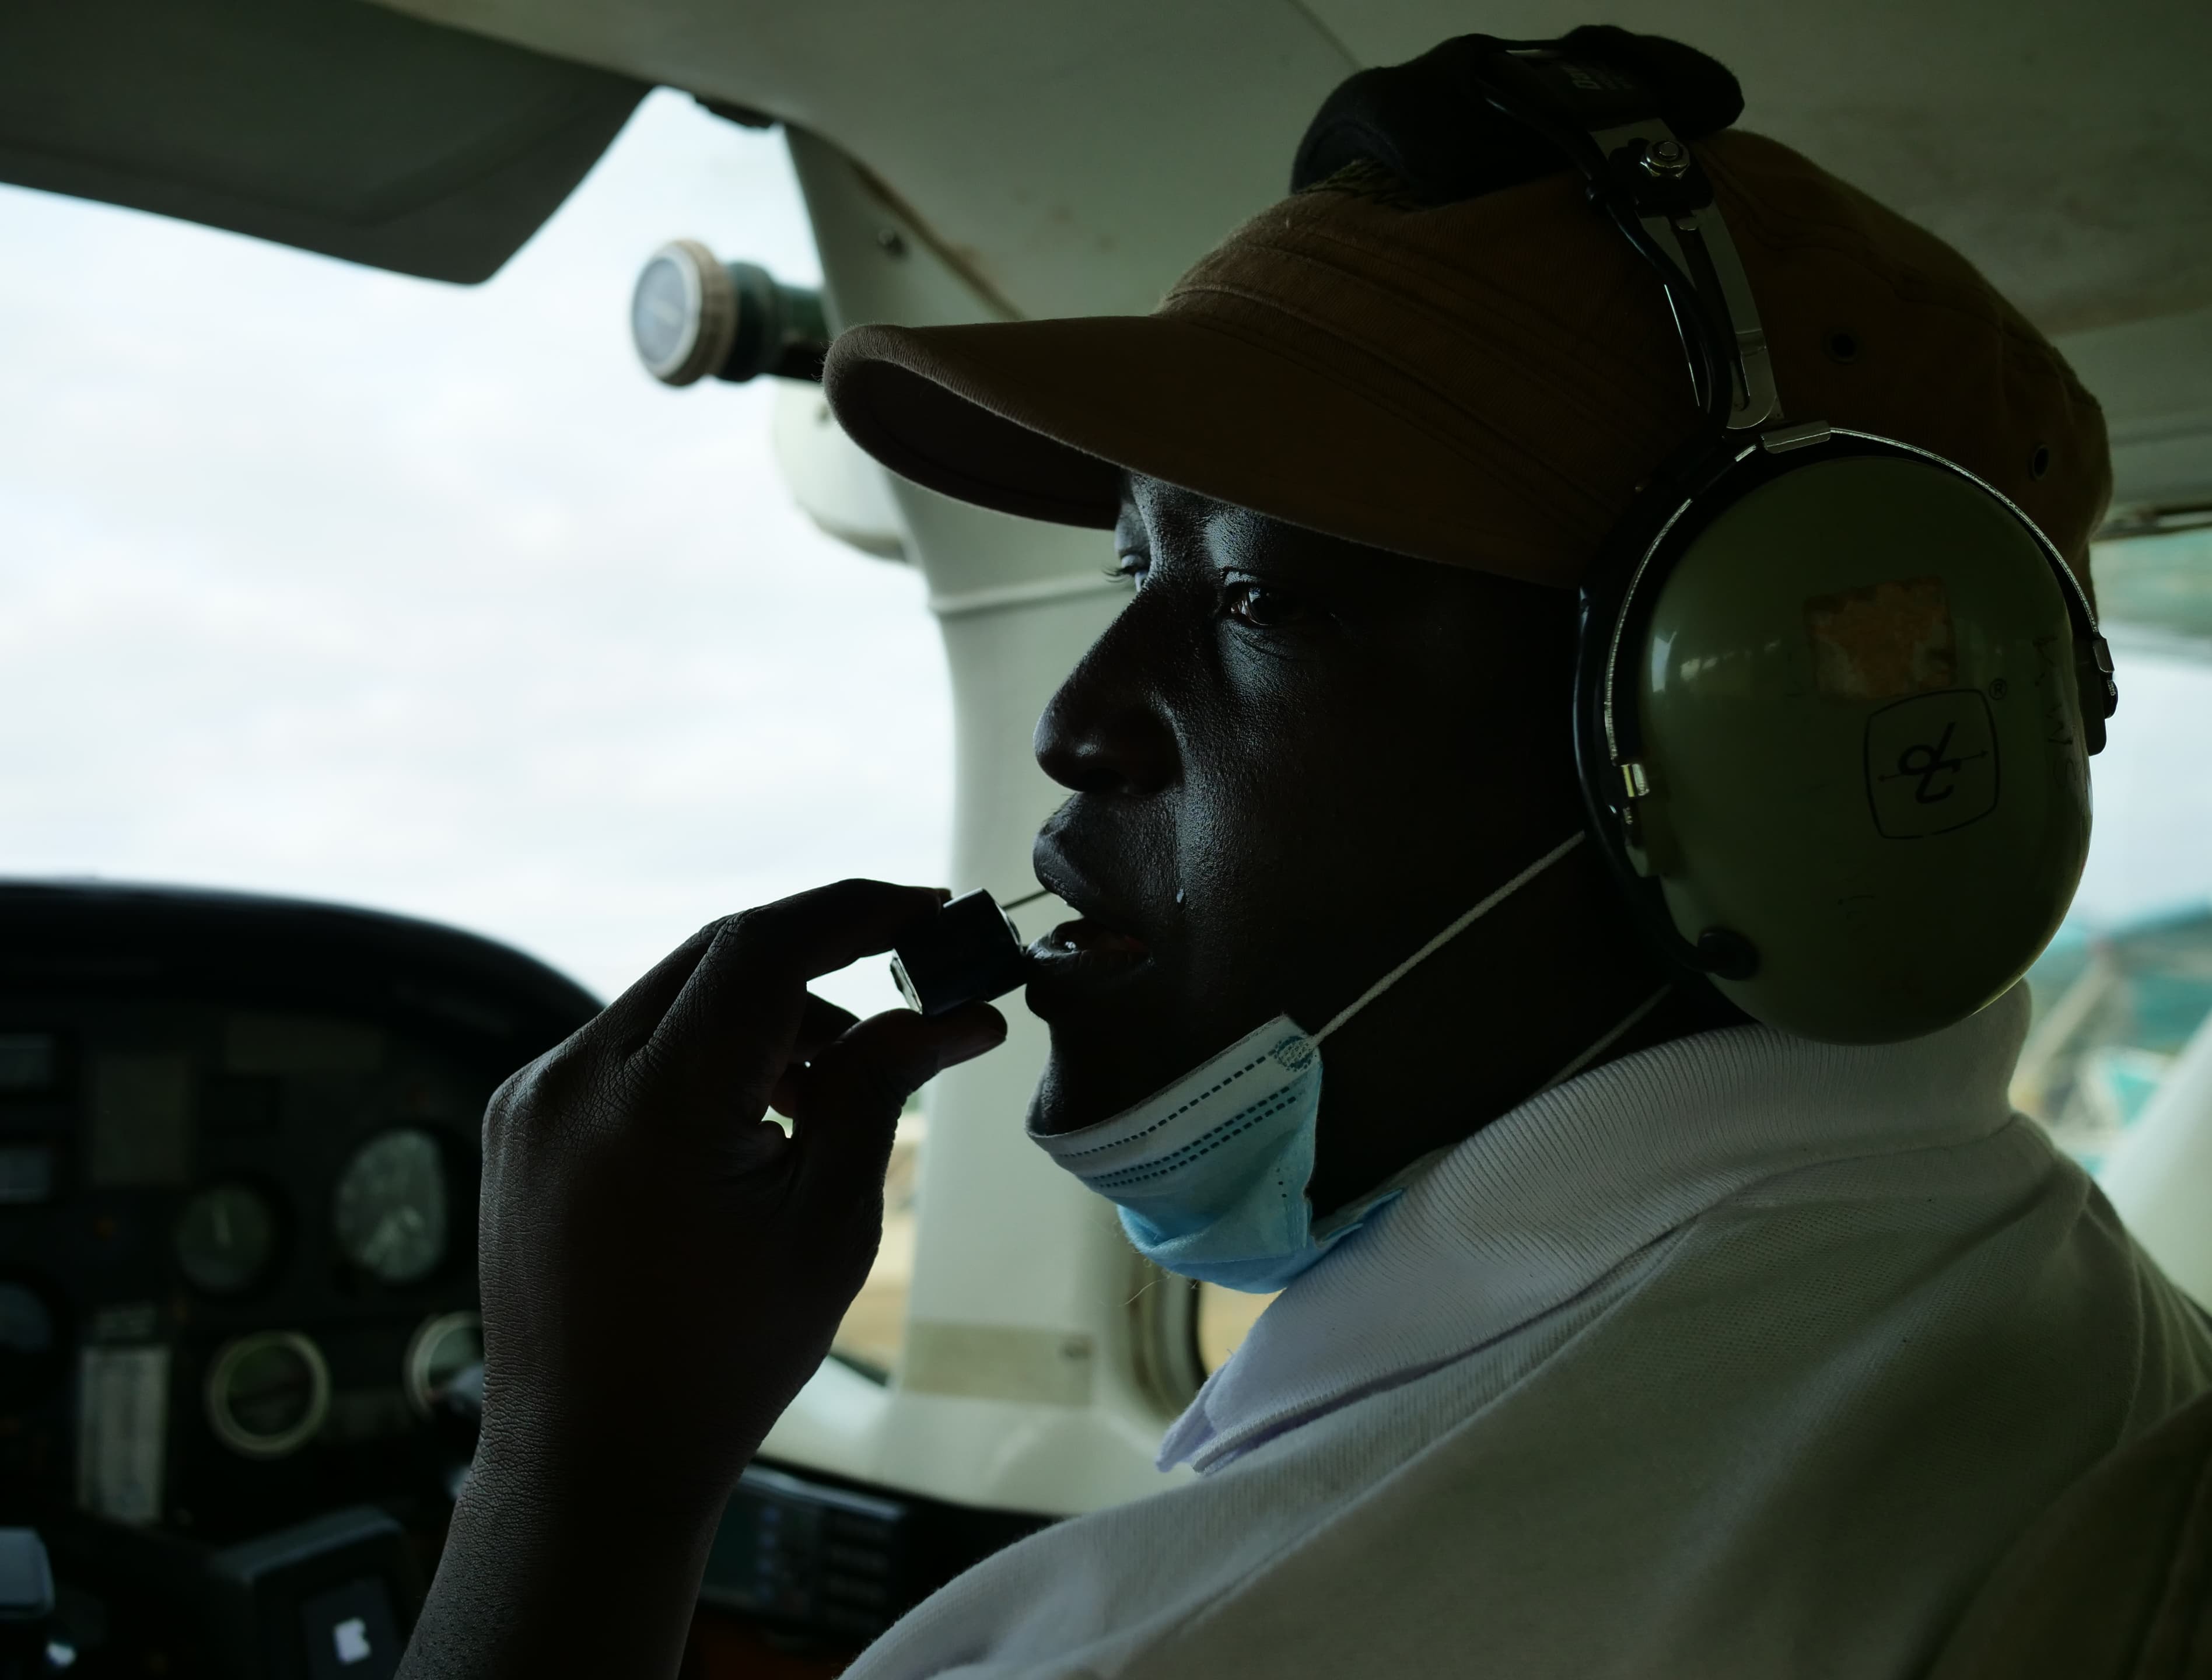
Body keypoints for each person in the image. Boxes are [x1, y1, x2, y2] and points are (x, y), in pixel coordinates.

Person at [400, 32, 2212, 1680]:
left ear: (1749, 745)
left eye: (1260, 601)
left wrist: (576, 1478)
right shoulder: (2079, 1331)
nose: (1079, 726)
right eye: (1138, 575)